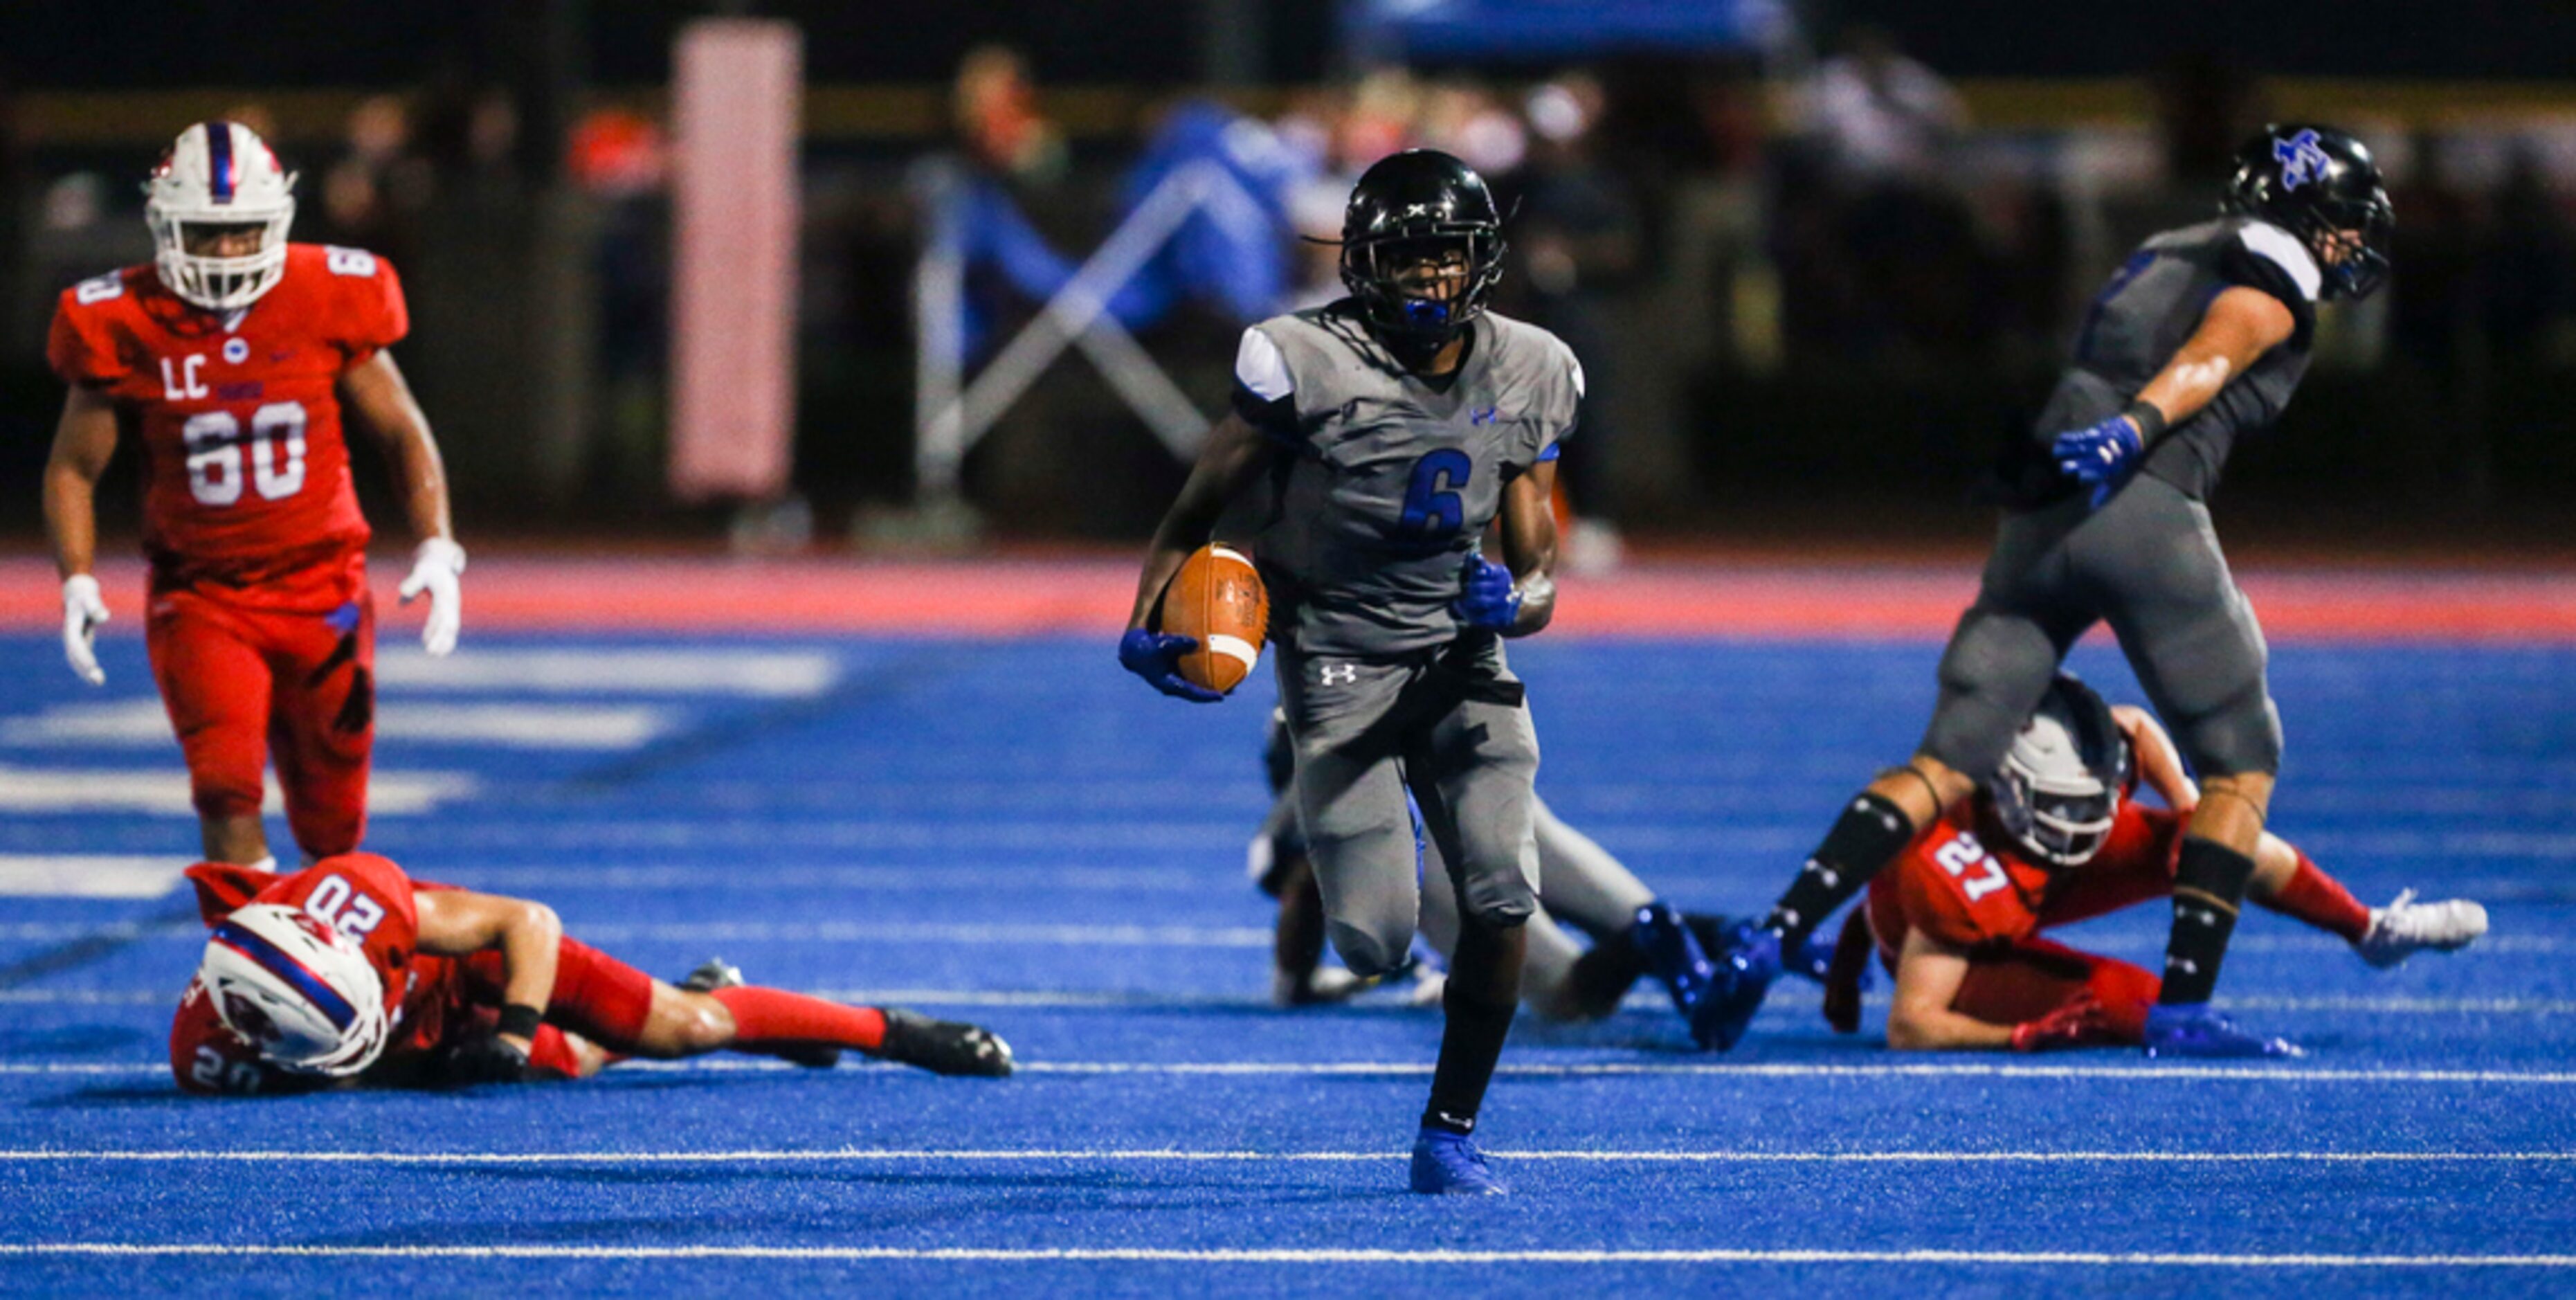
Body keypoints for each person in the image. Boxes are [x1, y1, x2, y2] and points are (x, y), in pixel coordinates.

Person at [1678, 124, 2400, 1058]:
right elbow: (2219, 344)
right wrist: (2135, 431)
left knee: (1944, 762)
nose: (2345, 243)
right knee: (2240, 759)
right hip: (2139, 496)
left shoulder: (2161, 249)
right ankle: (2181, 1005)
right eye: (2338, 222)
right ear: (2299, 213)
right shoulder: (2271, 273)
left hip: (2039, 505)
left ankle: (1770, 937)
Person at [1120, 150, 1579, 1193]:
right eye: (1409, 257)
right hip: (1333, 661)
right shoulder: (1301, 360)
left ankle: (1447, 1132)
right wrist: (1146, 612)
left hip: (1460, 659)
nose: (1428, 279)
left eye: (1446, 256)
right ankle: (1373, 827)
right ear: (1365, 262)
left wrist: (1515, 601)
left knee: (1503, 895)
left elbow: (1539, 560)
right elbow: (1198, 504)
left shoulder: (1533, 367)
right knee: (1373, 942)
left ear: (1481, 261)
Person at [42, 120, 465, 872]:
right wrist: (76, 577)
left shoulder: (328, 291)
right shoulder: (120, 317)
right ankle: (253, 977)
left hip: (323, 586)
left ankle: (331, 959)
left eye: (244, 232)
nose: (229, 251)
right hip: (203, 594)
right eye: (207, 234)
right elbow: (75, 467)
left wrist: (437, 542)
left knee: (334, 822)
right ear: (166, 226)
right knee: (225, 787)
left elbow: (402, 429)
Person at [1817, 674, 2486, 1051]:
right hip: (1977, 906)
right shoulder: (1940, 855)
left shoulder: (2093, 749)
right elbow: (1911, 1024)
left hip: (2024, 868)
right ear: (2004, 788)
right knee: (2120, 999)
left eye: (2092, 798)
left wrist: (2196, 811)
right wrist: (2017, 1036)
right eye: (2060, 804)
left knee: (2221, 841)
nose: (2083, 817)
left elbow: (2132, 723)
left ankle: (2367, 930)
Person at [170, 851, 1013, 1095]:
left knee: (691, 1030)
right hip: (410, 1037)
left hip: (475, 975)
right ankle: (720, 994)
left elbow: (525, 921)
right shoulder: (208, 1055)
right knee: (577, 1063)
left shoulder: (370, 899)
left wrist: (513, 1030)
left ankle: (894, 1031)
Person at [1245, 710, 1847, 1022]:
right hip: (1495, 789)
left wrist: (1293, 984)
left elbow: (1296, 881)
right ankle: (1754, 936)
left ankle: (1646, 944)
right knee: (1613, 906)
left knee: (1569, 997)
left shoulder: (1313, 759)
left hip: (1427, 847)